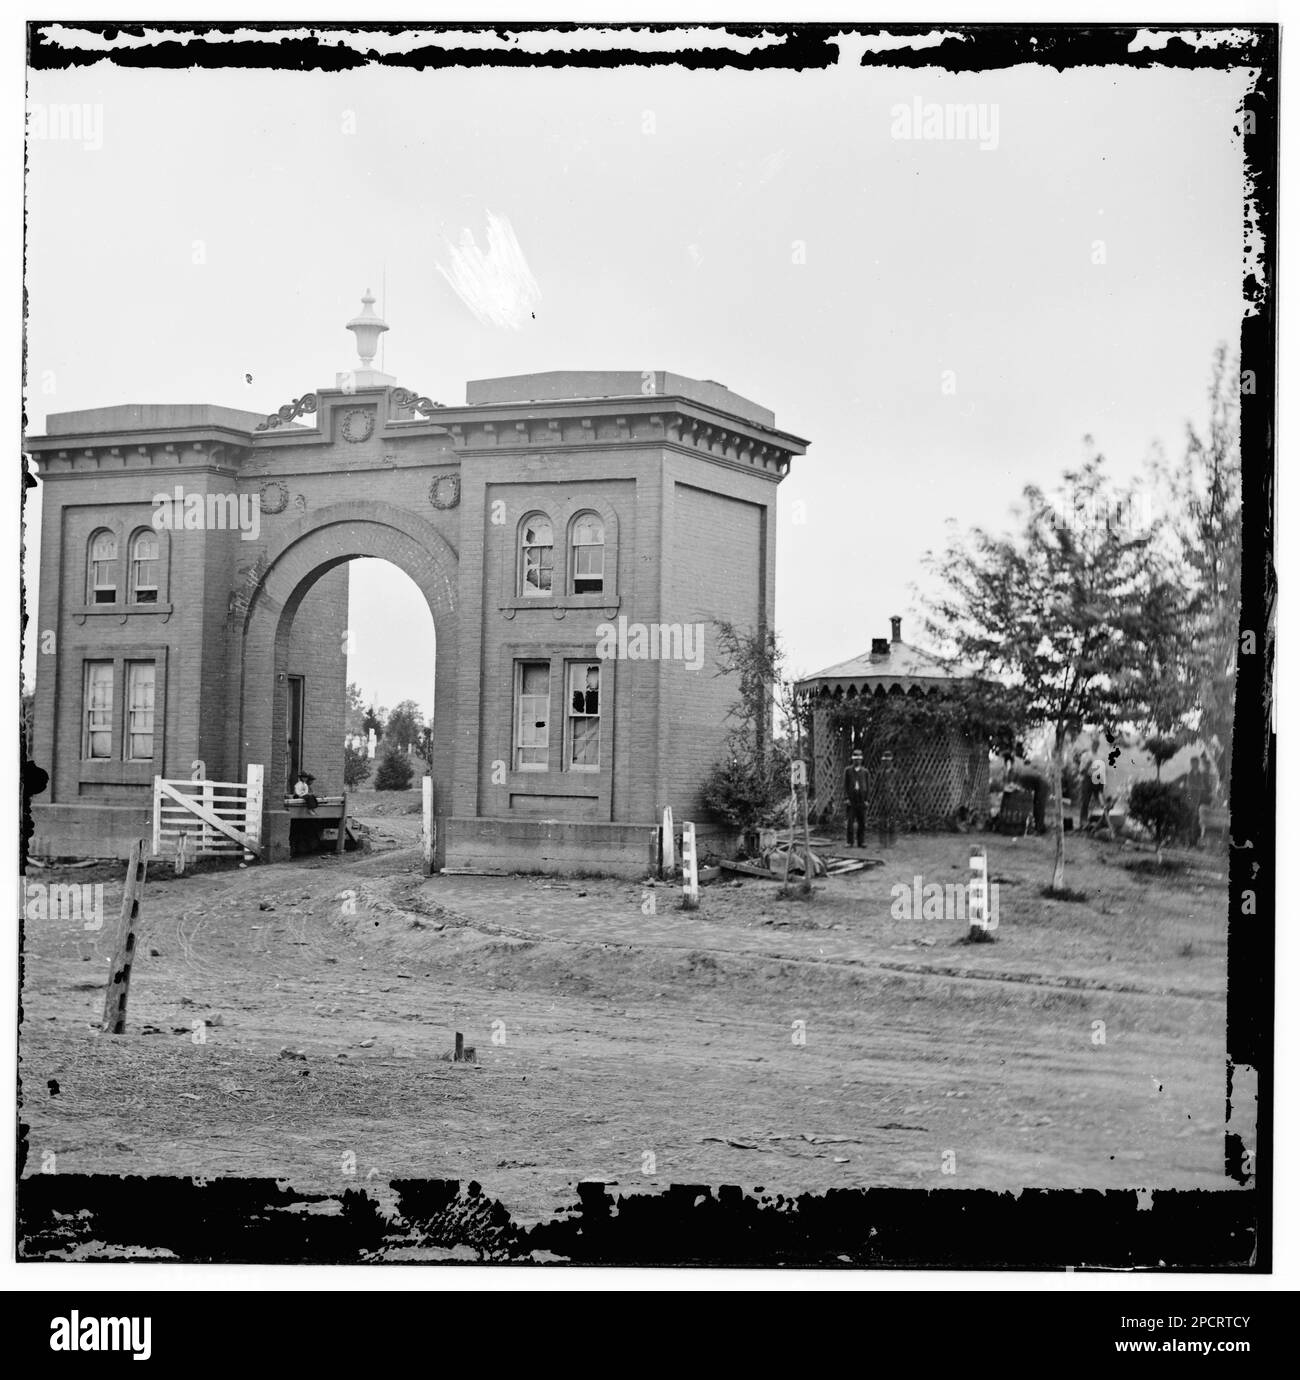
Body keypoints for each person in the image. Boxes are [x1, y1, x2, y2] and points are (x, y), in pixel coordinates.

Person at [843, 746, 869, 848]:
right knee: (850, 822)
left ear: (861, 759)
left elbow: (868, 786)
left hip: (861, 799)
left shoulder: (865, 772)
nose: (857, 760)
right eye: (855, 759)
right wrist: (846, 798)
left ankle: (861, 841)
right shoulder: (848, 771)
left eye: (858, 759)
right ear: (852, 759)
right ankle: (849, 842)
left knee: (862, 821)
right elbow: (845, 785)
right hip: (851, 799)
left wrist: (867, 799)